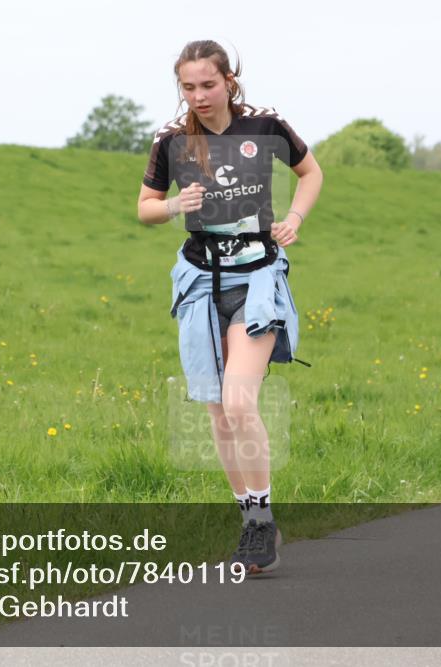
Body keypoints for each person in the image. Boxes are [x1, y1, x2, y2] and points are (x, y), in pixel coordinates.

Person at [136, 40, 323, 574]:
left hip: (257, 280)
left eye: (208, 84)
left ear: (229, 81)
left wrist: (295, 219)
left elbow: (311, 173)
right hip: (200, 283)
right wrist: (174, 204)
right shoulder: (171, 140)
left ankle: (263, 519)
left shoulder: (264, 126)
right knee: (219, 414)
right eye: (188, 87)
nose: (198, 95)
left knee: (240, 404)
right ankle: (251, 523)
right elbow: (144, 208)